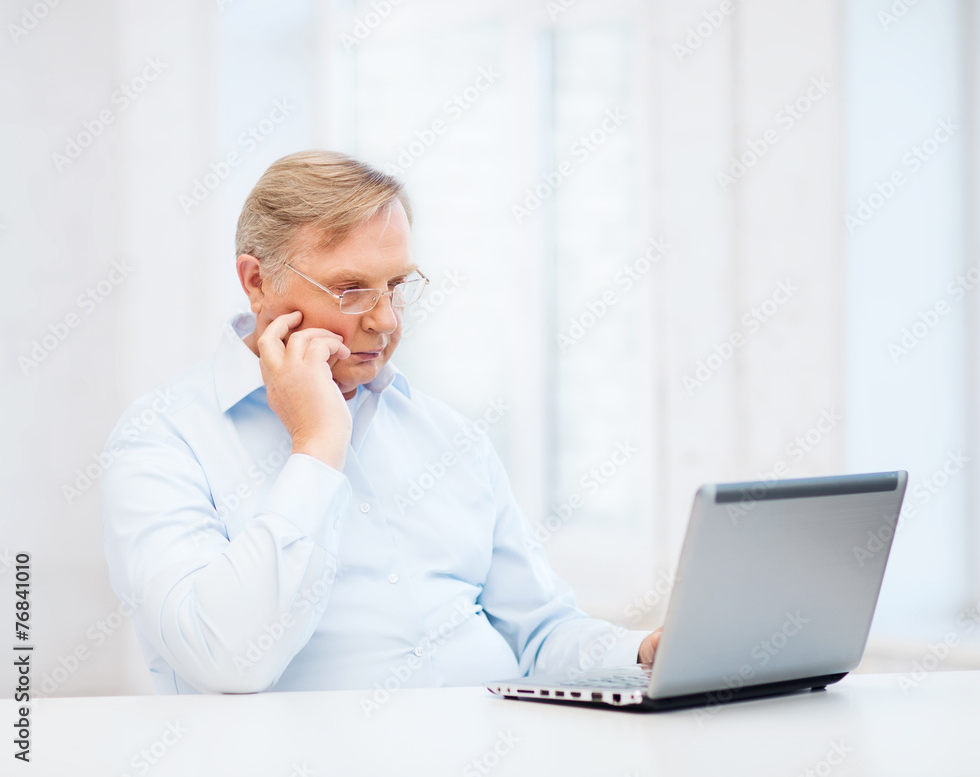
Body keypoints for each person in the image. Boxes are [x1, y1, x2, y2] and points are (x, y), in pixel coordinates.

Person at [101, 149, 661, 695]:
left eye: (396, 286)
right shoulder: (163, 438)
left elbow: (539, 634)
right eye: (351, 290)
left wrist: (642, 652)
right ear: (256, 281)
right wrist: (317, 445)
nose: (386, 320)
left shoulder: (448, 434)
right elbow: (225, 660)